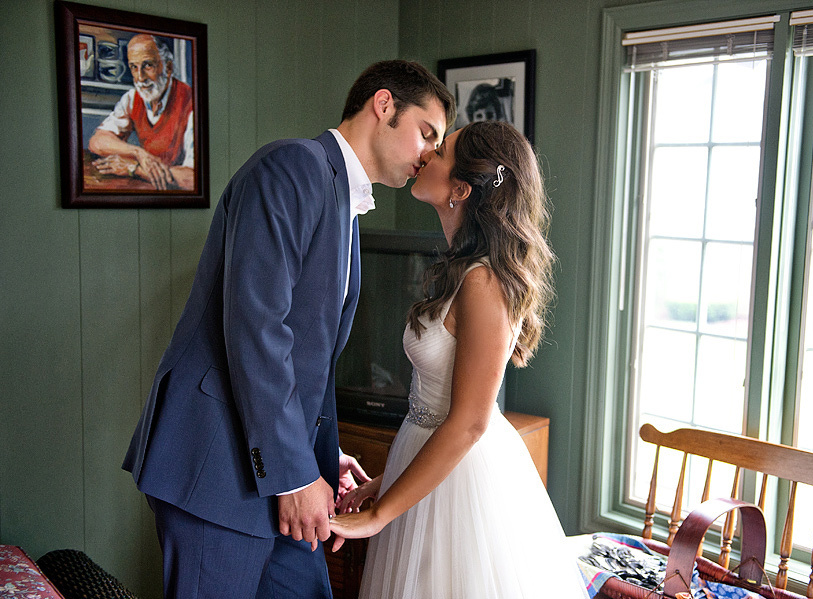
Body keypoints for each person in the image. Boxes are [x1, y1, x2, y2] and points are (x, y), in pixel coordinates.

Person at [121, 60, 456, 599]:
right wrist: (297, 475)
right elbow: (257, 328)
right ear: (385, 105)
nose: (430, 154)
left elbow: (309, 363)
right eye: (427, 133)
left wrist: (319, 456)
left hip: (280, 470)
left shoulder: (346, 206)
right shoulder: (292, 167)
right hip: (217, 473)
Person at [329, 120, 589, 599]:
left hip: (467, 484)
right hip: (425, 457)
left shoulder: (483, 282)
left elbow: (468, 422)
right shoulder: (460, 269)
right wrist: (385, 483)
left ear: (461, 189)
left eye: (440, 149)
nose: (426, 152)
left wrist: (378, 516)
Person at [88, 34, 195, 190]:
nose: (140, 78)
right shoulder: (132, 98)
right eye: (134, 67)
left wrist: (134, 169)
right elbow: (97, 141)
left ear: (169, 67)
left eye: (148, 65)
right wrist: (138, 153)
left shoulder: (191, 104)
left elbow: (192, 180)